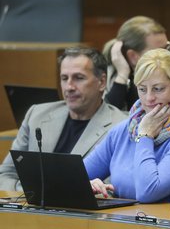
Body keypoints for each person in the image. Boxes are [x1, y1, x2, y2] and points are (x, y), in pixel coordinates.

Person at [84, 49, 170, 204]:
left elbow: (148, 192)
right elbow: (74, 177)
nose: (149, 98)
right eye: (142, 89)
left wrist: (145, 136)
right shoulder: (123, 131)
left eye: (158, 89)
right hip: (125, 224)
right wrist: (86, 185)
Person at [0, 47, 126, 191]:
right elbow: (6, 174)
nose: (69, 87)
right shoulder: (36, 115)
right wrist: (28, 194)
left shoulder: (120, 126)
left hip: (84, 211)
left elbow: (114, 188)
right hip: (29, 208)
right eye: (64, 78)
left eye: (79, 78)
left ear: (102, 82)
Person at [103, 16, 170, 113]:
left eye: (167, 48)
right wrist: (122, 76)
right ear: (133, 56)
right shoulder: (107, 75)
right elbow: (104, 122)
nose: (167, 55)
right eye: (159, 51)